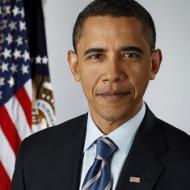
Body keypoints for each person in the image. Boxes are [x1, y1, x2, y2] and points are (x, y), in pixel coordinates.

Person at [11, 0, 190, 190]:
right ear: (75, 66)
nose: (112, 74)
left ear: (153, 65)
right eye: (96, 56)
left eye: (129, 55)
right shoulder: (34, 154)